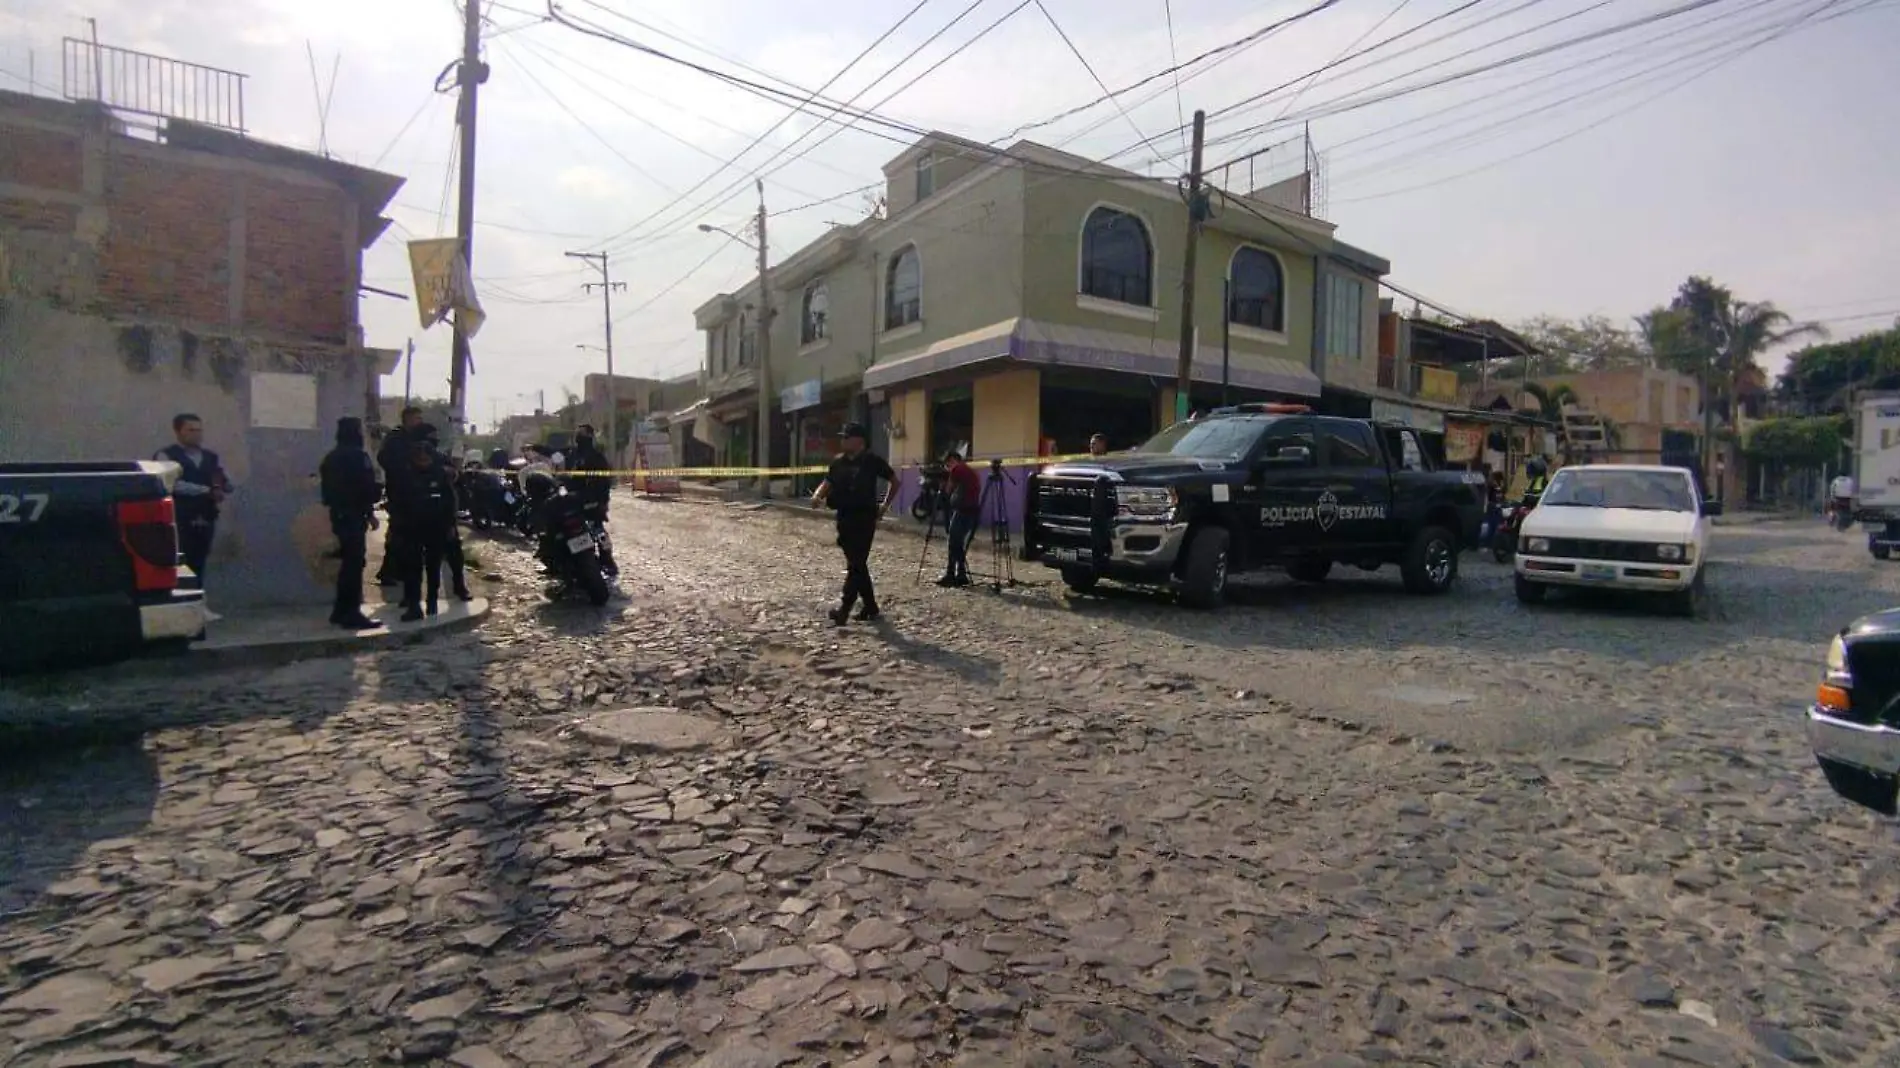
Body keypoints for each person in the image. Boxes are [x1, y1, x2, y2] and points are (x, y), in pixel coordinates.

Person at [810, 422, 897, 625]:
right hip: (844, 517)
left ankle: (844, 609)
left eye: (847, 437)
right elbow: (827, 482)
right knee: (857, 564)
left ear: (859, 441)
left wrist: (884, 506)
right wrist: (817, 496)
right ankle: (870, 606)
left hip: (865, 517)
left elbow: (895, 481)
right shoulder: (838, 462)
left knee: (856, 564)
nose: (843, 440)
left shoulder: (872, 461)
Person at [156, 413, 230, 613]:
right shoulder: (167, 456)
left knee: (200, 560)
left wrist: (223, 486)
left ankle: (198, 606)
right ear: (178, 431)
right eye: (191, 430)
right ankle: (180, 608)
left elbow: (221, 477)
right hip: (179, 517)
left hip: (205, 517)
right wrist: (205, 491)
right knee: (181, 564)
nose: (197, 435)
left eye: (199, 430)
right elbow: (170, 484)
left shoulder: (210, 457)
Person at [319, 417, 381, 630]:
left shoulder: (331, 457)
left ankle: (340, 610)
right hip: (353, 514)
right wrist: (369, 510)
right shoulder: (357, 456)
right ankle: (351, 613)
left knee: (348, 563)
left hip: (339, 514)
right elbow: (365, 488)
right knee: (353, 565)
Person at [391, 438, 459, 621]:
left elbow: (450, 502)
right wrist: (396, 527)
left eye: (425, 458)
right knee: (412, 568)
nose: (422, 462)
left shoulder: (441, 475)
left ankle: (432, 601)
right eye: (418, 458)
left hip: (436, 528)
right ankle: (414, 605)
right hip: (411, 529)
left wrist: (451, 525)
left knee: (433, 566)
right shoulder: (405, 476)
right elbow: (397, 503)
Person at [376, 406, 425, 586]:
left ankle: (401, 571)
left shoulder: (417, 439)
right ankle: (388, 571)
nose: (419, 421)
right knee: (397, 532)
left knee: (410, 535)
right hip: (400, 492)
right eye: (416, 418)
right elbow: (384, 459)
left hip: (414, 493)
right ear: (407, 420)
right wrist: (405, 467)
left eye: (420, 418)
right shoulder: (396, 438)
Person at [937, 450, 983, 587]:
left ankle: (952, 574)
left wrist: (944, 485)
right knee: (958, 542)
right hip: (972, 510)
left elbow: (948, 490)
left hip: (962, 510)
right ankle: (960, 573)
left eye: (948, 464)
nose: (948, 467)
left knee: (953, 541)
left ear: (952, 460)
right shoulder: (970, 471)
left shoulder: (957, 469)